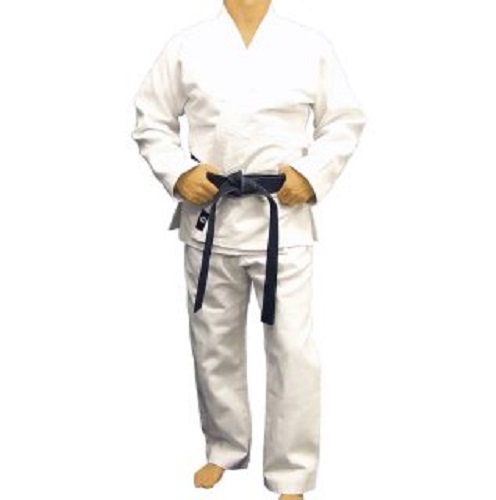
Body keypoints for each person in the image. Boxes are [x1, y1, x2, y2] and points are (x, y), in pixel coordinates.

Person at [131, 0, 366, 498]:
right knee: (213, 342)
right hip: (210, 217)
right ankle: (224, 447)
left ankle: (291, 472)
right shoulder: (187, 46)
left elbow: (345, 120)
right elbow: (151, 119)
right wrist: (179, 172)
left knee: (292, 350)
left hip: (282, 218)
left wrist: (310, 174)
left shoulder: (309, 46)